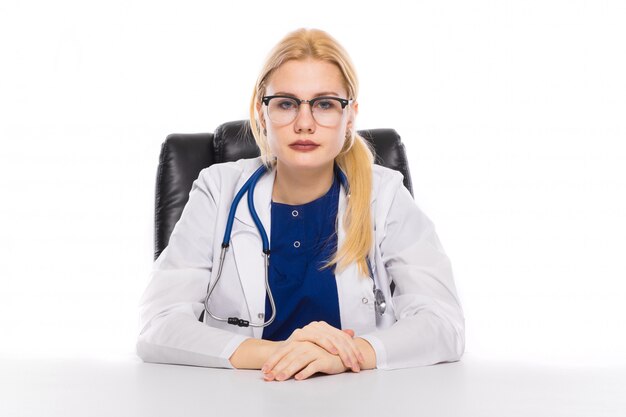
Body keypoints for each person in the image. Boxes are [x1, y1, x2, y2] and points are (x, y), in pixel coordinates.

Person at [137, 28, 465, 382]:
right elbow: (158, 325)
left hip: (358, 401)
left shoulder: (383, 196)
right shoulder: (218, 190)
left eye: (325, 104)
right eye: (286, 104)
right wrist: (283, 352)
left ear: (350, 117)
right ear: (262, 114)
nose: (304, 124)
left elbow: (443, 322)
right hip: (241, 400)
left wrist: (347, 356)